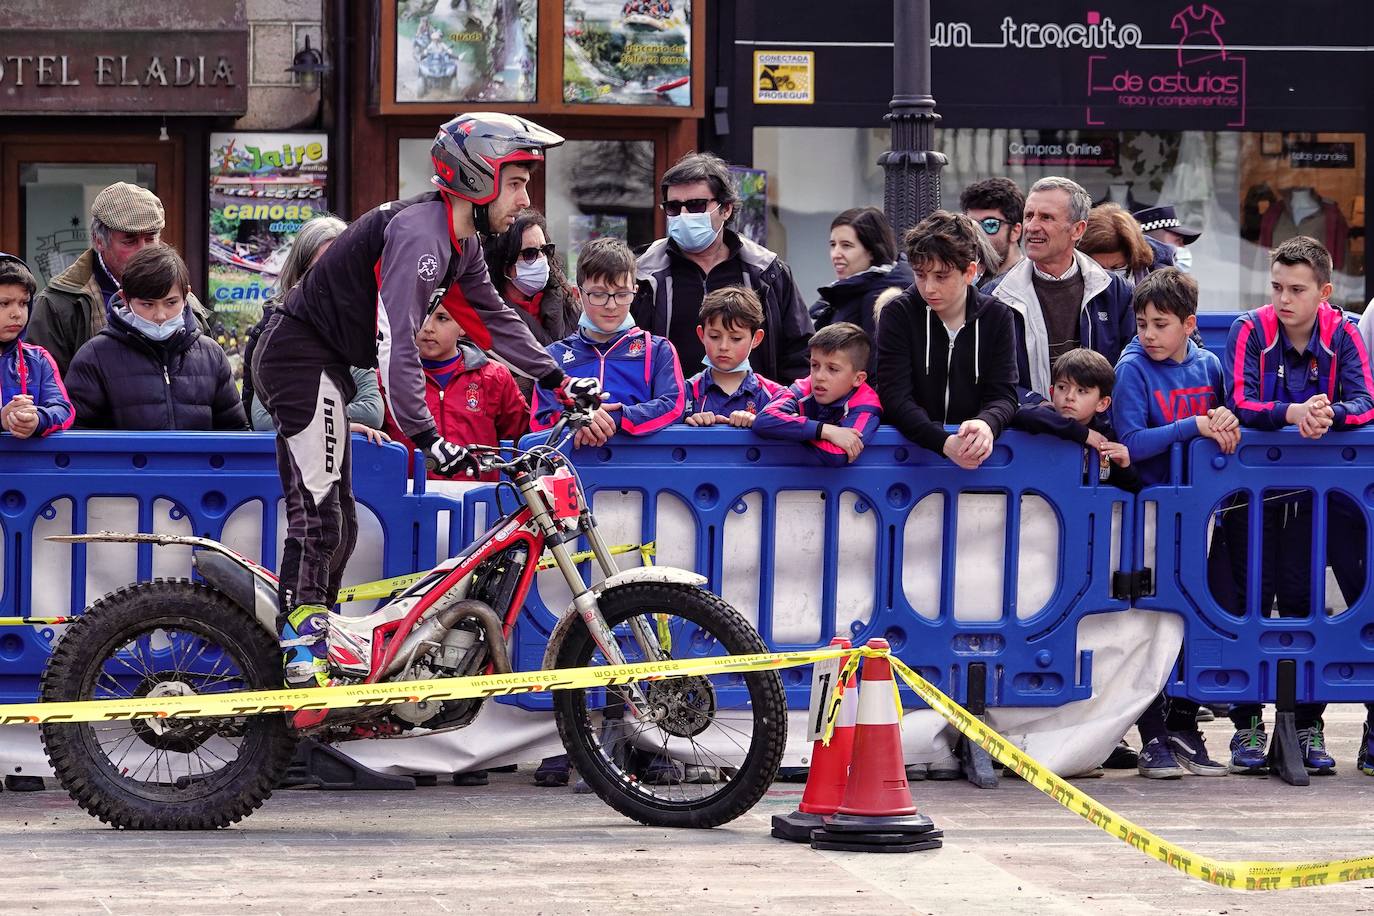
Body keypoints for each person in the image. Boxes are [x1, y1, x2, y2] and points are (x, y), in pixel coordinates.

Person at [251, 112, 583, 689]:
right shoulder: (420, 236)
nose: (525, 197)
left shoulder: (461, 242)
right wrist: (428, 435)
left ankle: (318, 639)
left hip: (325, 360)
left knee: (341, 524)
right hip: (297, 357)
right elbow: (396, 342)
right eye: (515, 182)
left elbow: (491, 320)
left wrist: (557, 379)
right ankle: (300, 652)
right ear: (477, 178)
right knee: (320, 513)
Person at [1219, 236, 1374, 776]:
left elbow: (1365, 402)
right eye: (1277, 287)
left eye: (1297, 290)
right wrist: (1293, 413)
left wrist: (1328, 414)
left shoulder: (1345, 331)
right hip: (1249, 494)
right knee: (1247, 601)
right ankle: (1246, 725)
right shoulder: (1249, 328)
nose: (1284, 299)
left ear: (1324, 293)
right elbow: (1239, 402)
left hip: (1317, 498)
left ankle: (1308, 723)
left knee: (1305, 603)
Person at [1112, 267, 1240, 778]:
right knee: (1148, 627)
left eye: (1160, 324)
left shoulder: (1210, 366)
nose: (1148, 334)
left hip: (1203, 515)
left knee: (1200, 618)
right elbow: (1131, 442)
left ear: (1189, 324)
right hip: (1147, 515)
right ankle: (1152, 737)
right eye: (1142, 323)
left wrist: (1225, 420)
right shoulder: (1131, 369)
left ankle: (1184, 727)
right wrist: (1194, 425)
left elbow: (1226, 417)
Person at [633, 151, 813, 384]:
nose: (684, 215)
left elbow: (799, 355)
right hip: (667, 405)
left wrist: (783, 403)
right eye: (674, 207)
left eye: (696, 205)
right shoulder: (641, 273)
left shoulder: (767, 271)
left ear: (725, 209)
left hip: (753, 405)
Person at [875, 211, 1019, 469]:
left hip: (979, 462)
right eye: (920, 275)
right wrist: (943, 443)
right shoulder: (897, 313)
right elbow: (894, 397)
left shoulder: (997, 316)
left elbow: (1004, 395)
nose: (929, 287)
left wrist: (987, 423)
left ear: (969, 272)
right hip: (907, 460)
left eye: (941, 276)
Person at [28, 182, 209, 376]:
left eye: (150, 239)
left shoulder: (183, 297)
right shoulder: (59, 304)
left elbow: (208, 374)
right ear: (99, 240)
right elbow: (43, 385)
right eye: (130, 241)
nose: (143, 251)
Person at [65, 245, 245, 431]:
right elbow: (76, 434)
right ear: (125, 299)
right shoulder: (94, 356)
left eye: (171, 303)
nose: (160, 315)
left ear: (186, 295)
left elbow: (235, 431)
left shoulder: (211, 355)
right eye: (147, 304)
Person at [243, 216, 387, 442]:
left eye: (342, 269)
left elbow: (372, 412)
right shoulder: (272, 333)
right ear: (298, 274)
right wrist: (339, 424)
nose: (331, 280)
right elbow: (263, 420)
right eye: (320, 270)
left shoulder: (357, 332)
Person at [992, 177, 1135, 400]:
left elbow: (1133, 369)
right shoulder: (996, 296)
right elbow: (992, 380)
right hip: (1028, 421)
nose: (1032, 227)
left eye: (1046, 217)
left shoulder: (1116, 292)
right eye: (1029, 216)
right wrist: (1039, 407)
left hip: (1104, 420)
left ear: (1078, 229)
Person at [532, 237, 684, 442]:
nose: (611, 305)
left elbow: (674, 407)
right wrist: (577, 419)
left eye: (622, 294)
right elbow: (539, 421)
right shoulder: (552, 357)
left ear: (635, 292)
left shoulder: (657, 350)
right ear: (578, 293)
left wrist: (619, 417)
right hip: (572, 461)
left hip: (639, 461)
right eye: (598, 294)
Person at [381, 302, 529, 483]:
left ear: (463, 324)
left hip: (480, 493)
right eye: (421, 316)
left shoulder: (495, 376)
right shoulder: (387, 378)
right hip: (408, 493)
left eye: (442, 318)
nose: (428, 328)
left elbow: (517, 438)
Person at [484, 209, 581, 401]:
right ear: (505, 263)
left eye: (545, 250)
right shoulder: (487, 314)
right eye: (529, 254)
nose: (541, 259)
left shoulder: (569, 302)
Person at [1012, 348, 1140, 493]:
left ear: (1102, 403)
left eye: (1081, 391)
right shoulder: (1043, 417)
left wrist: (1125, 468)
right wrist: (1083, 434)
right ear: (1052, 392)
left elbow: (1129, 488)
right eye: (1062, 387)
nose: (1069, 396)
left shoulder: (1104, 438)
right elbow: (1022, 413)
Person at [753, 322, 881, 465]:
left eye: (832, 369)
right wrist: (824, 431)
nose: (819, 376)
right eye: (815, 365)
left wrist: (790, 427)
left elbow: (837, 454)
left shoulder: (866, 405)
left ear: (858, 379)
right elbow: (763, 420)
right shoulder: (804, 387)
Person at [809, 207, 913, 371]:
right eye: (833, 245)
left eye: (846, 245)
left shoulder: (878, 298)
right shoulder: (847, 291)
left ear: (872, 251)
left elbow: (878, 369)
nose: (836, 254)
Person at [682, 286, 783, 427]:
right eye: (714, 336)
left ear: (756, 338)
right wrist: (687, 424)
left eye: (736, 338)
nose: (723, 346)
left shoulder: (776, 396)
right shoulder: (684, 392)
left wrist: (761, 422)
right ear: (701, 335)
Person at [0, 252, 73, 439]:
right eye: (4, 303)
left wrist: (37, 419)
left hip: (27, 458)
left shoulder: (38, 359)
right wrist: (2, 419)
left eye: (23, 303)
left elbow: (64, 409)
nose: (17, 313)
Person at [960, 177, 1025, 289]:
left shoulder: (1030, 286)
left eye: (990, 225)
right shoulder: (966, 282)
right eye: (971, 224)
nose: (978, 235)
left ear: (1015, 231)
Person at [1077, 203, 1157, 286]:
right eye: (1099, 268)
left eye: (1117, 267)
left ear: (1132, 260)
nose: (1108, 277)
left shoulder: (1160, 281)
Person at [1133, 204, 1201, 274]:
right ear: (1153, 241)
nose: (1183, 246)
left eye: (1183, 242)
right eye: (1177, 240)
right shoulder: (1132, 276)